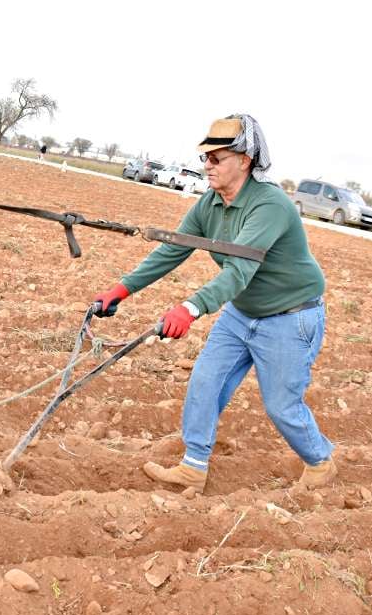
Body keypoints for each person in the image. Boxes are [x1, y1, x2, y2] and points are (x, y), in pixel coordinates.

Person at [90, 114, 335, 494]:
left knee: (281, 406)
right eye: (205, 157)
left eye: (216, 158)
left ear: (245, 160)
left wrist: (189, 309)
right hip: (242, 312)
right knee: (205, 381)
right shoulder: (210, 204)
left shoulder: (269, 206)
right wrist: (122, 289)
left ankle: (320, 461)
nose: (207, 165)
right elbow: (173, 249)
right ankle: (193, 466)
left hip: (290, 316)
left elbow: (239, 270)